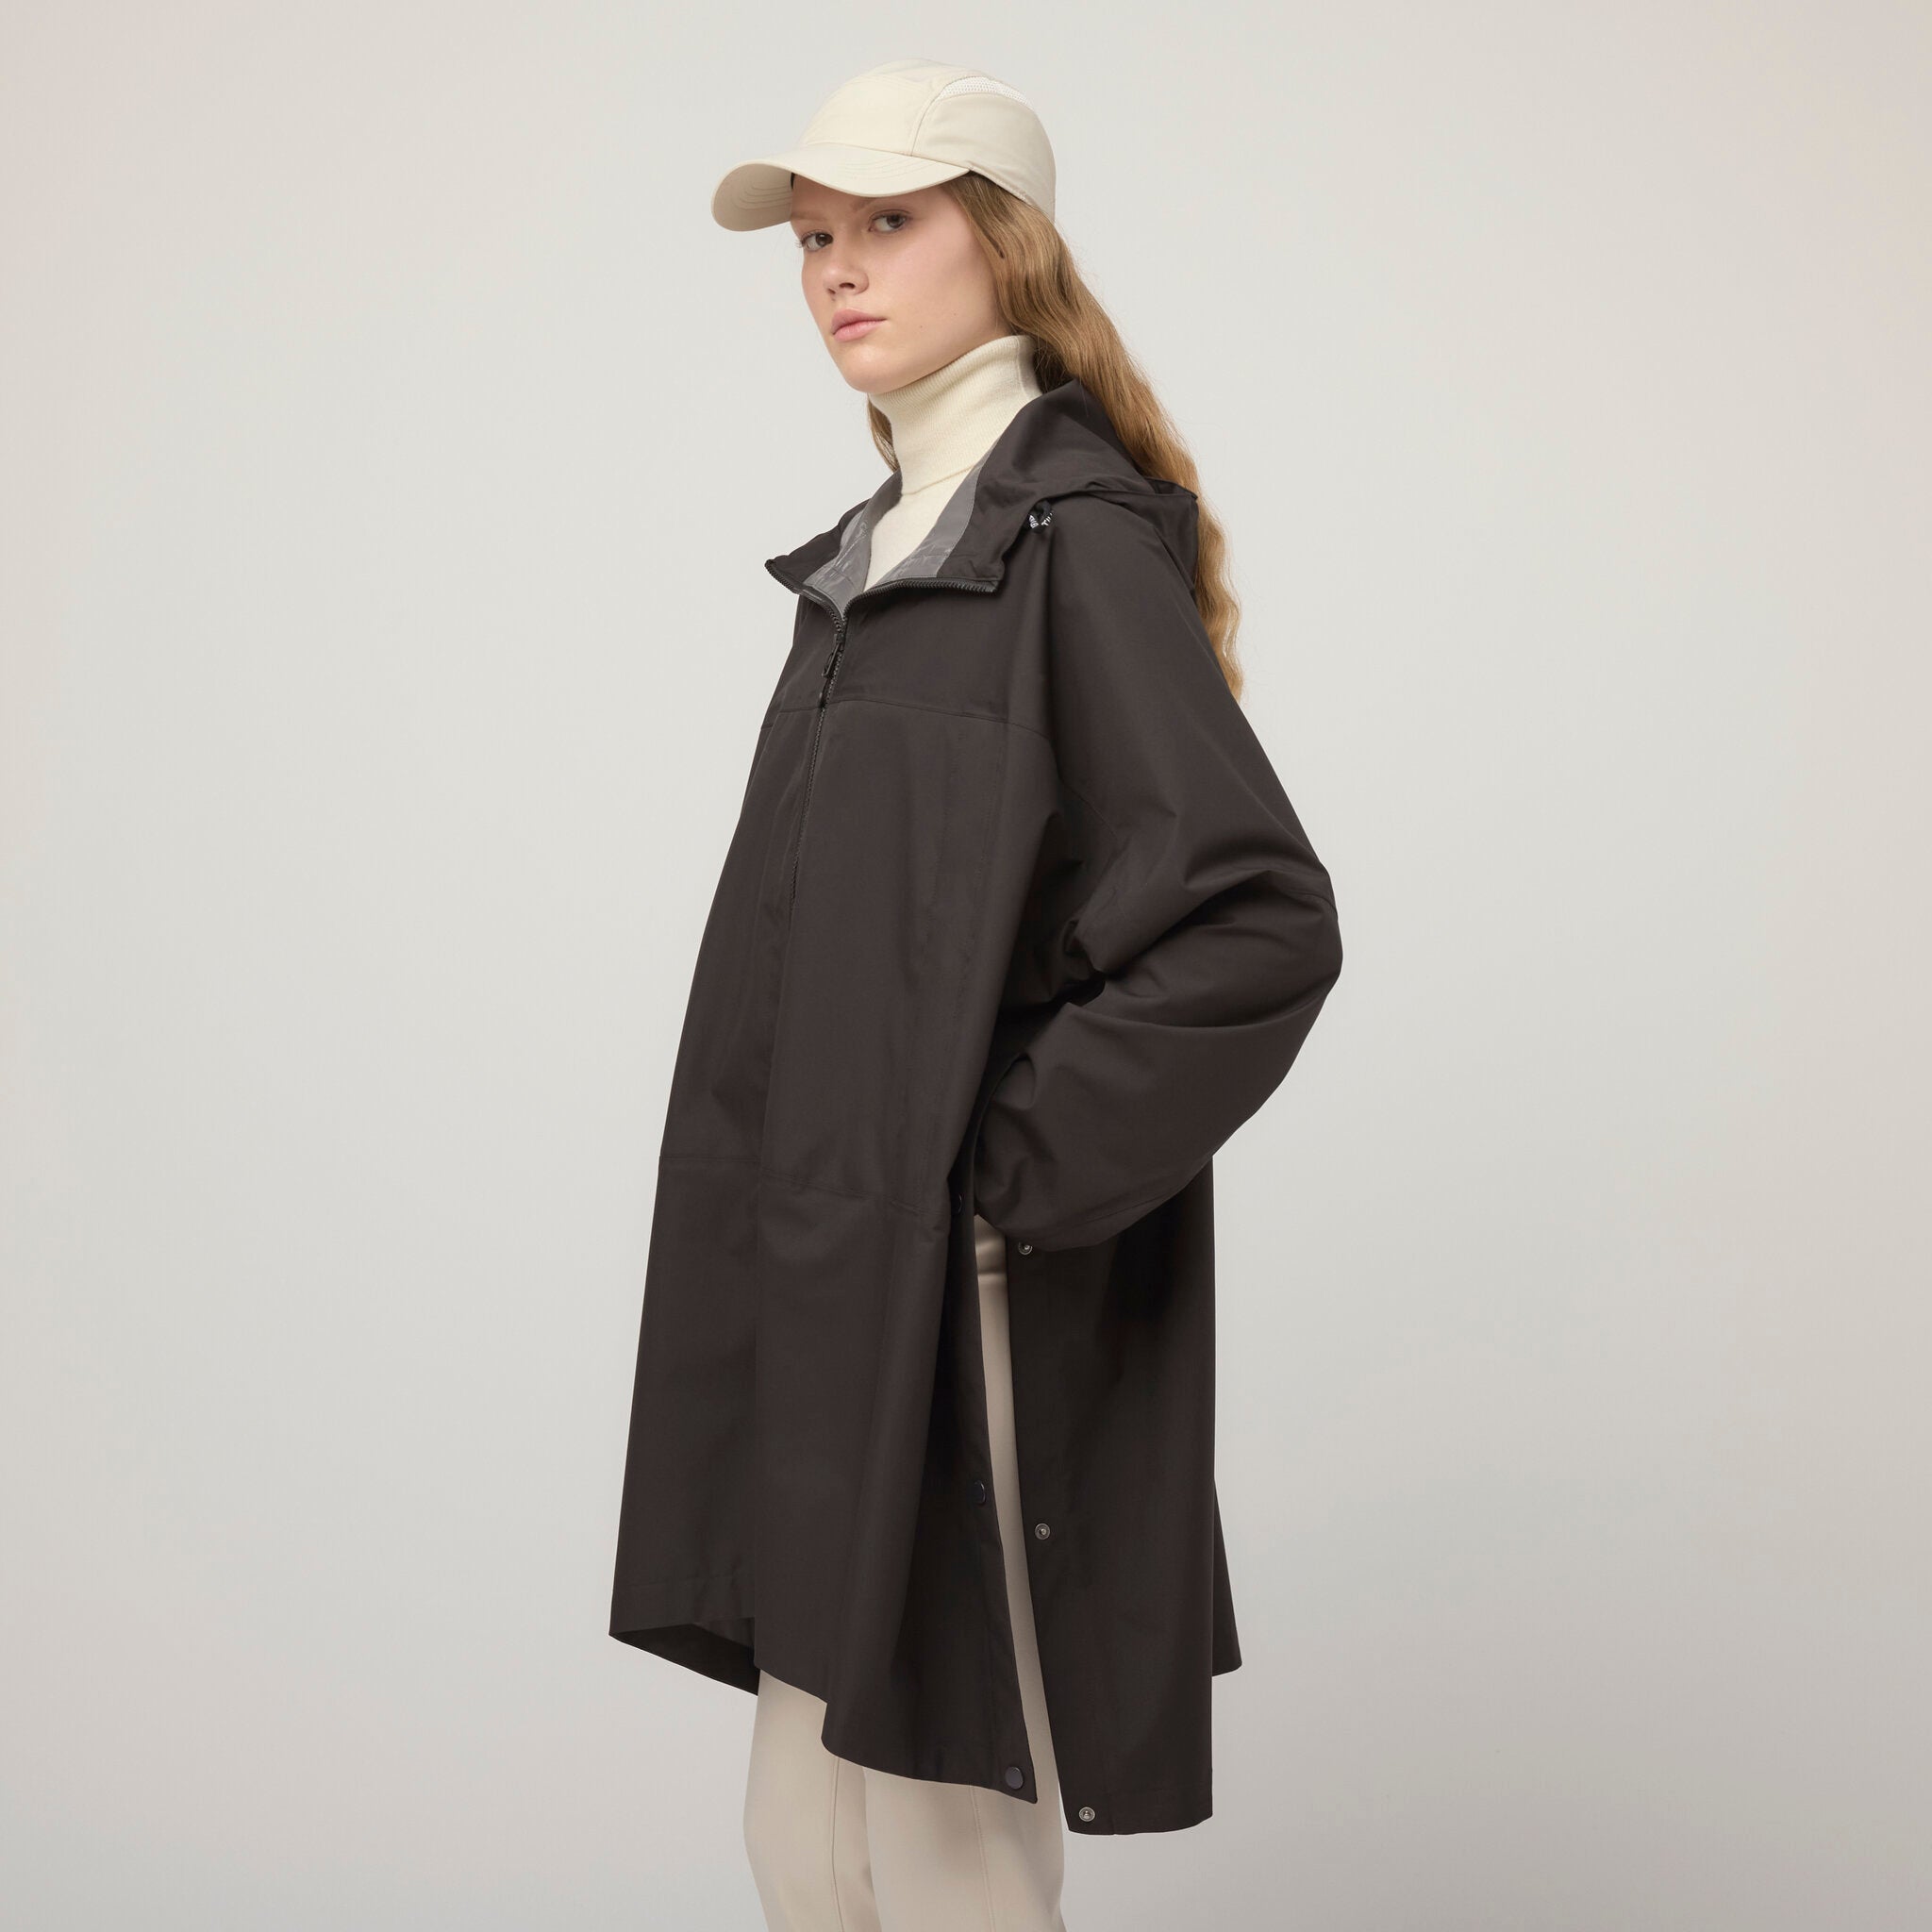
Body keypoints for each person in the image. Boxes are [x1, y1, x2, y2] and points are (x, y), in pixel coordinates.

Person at [609, 59, 1344, 1932]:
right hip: (818, 1286)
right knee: (809, 1849)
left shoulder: (1060, 541)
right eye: (813, 239)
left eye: (887, 222)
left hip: (958, 1298)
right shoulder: (877, 557)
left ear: (1005, 246)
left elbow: (1254, 919)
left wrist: (1004, 1176)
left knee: (941, 1848)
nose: (838, 271)